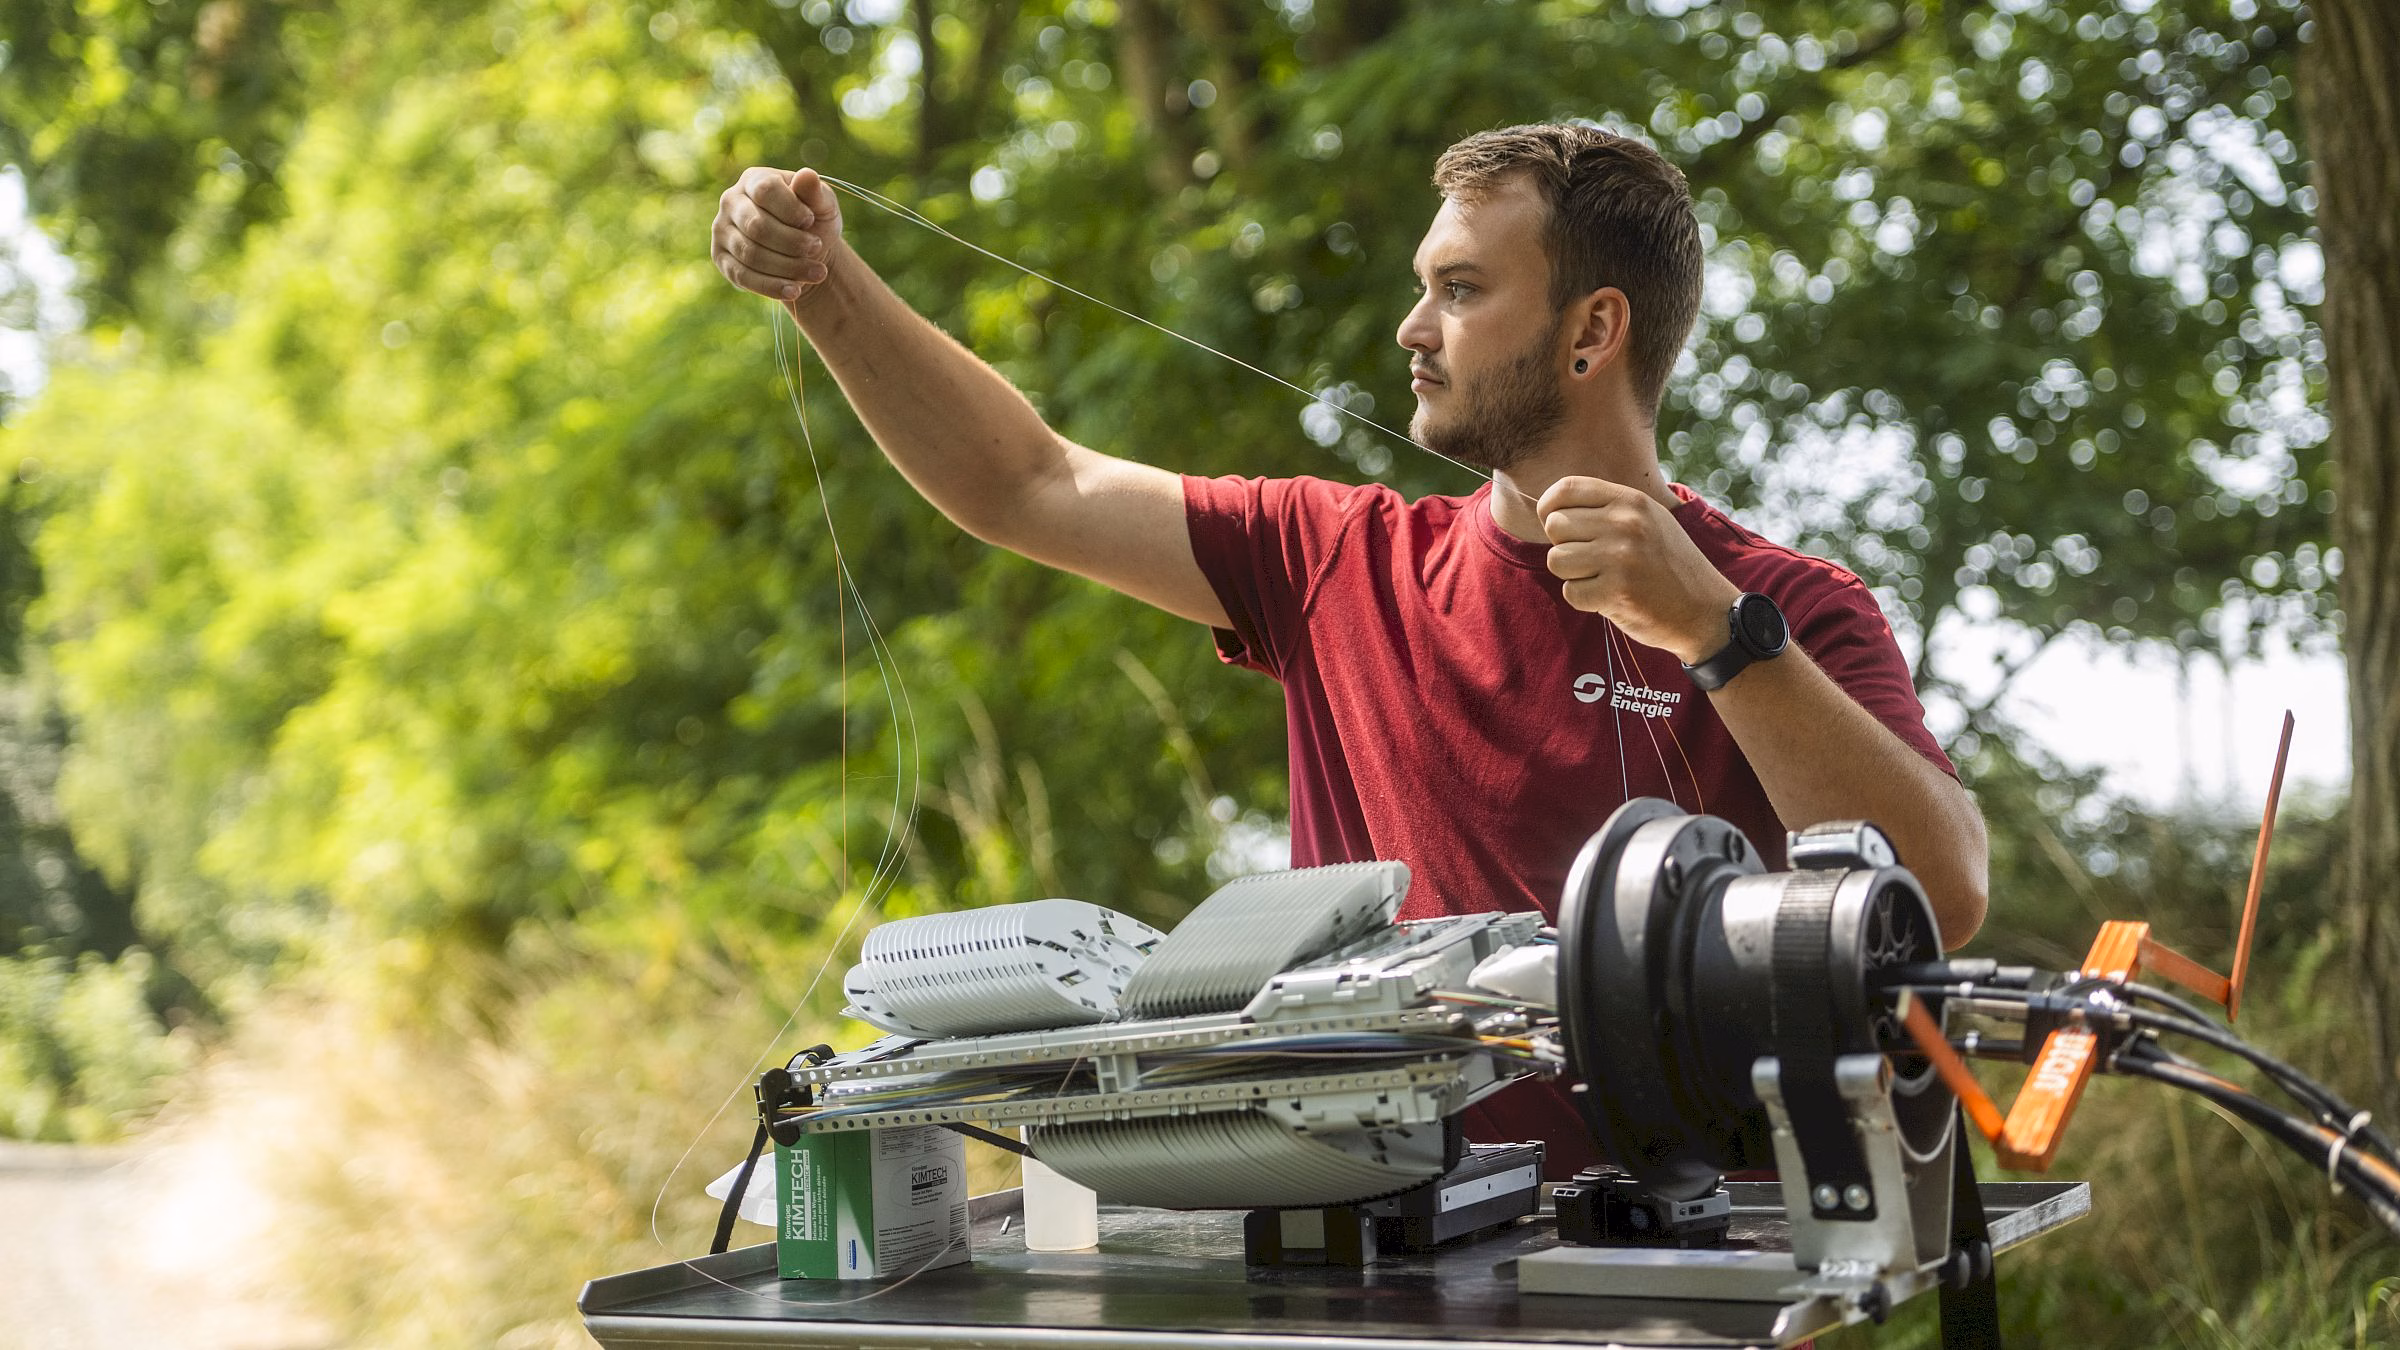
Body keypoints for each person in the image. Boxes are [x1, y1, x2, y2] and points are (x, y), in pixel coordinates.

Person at [710, 122, 1988, 1175]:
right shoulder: (1335, 556)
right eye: (1425, 285)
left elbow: (1944, 892)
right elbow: (1028, 482)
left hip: (1687, 1283)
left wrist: (1716, 634)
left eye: (1463, 290)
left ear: (1593, 333)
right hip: (1376, 1262)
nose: (1411, 328)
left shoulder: (1784, 608)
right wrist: (825, 285)